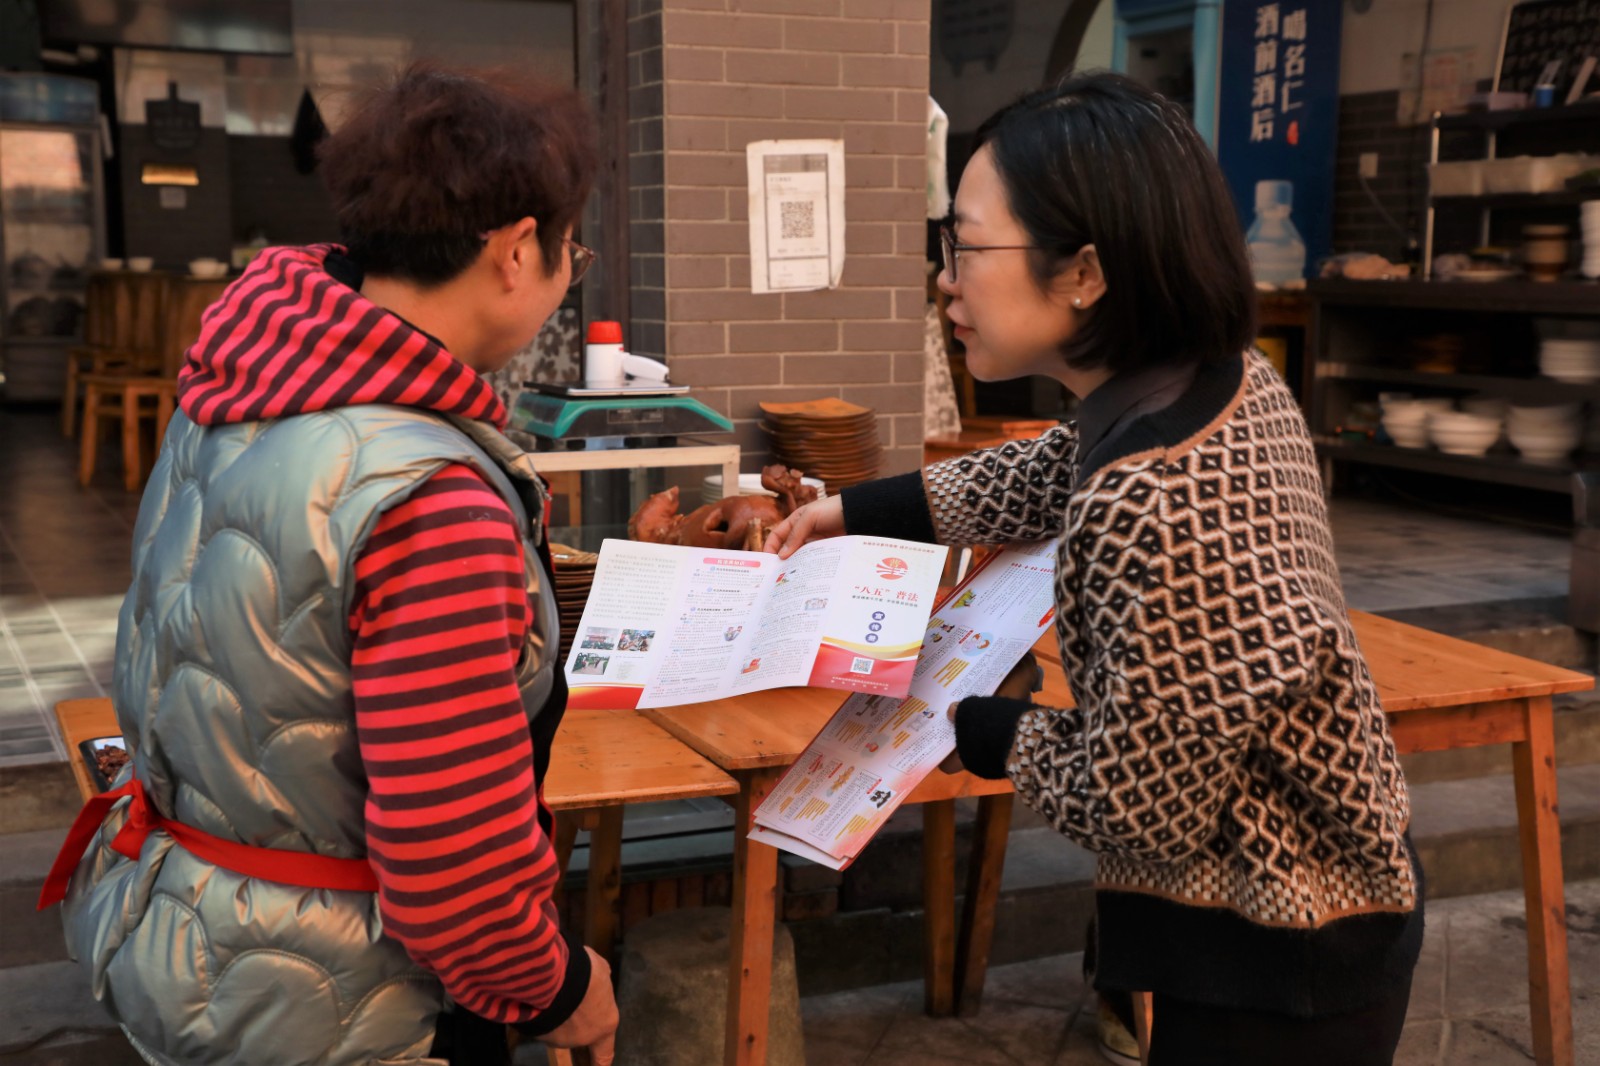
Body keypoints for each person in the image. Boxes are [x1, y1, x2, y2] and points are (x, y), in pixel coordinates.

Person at [766, 72, 1422, 1066]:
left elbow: (1141, 802)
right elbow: (1045, 470)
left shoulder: (1150, 497)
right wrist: (851, 509)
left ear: (1083, 272)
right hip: (1324, 888)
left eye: (965, 248)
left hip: (1282, 936)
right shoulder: (1220, 381)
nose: (944, 281)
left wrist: (972, 725)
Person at [42, 63, 619, 1066]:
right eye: (573, 250)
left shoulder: (235, 393)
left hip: (186, 936)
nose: (569, 271)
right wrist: (556, 986)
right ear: (518, 249)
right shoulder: (427, 496)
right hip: (348, 1003)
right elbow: (456, 865)